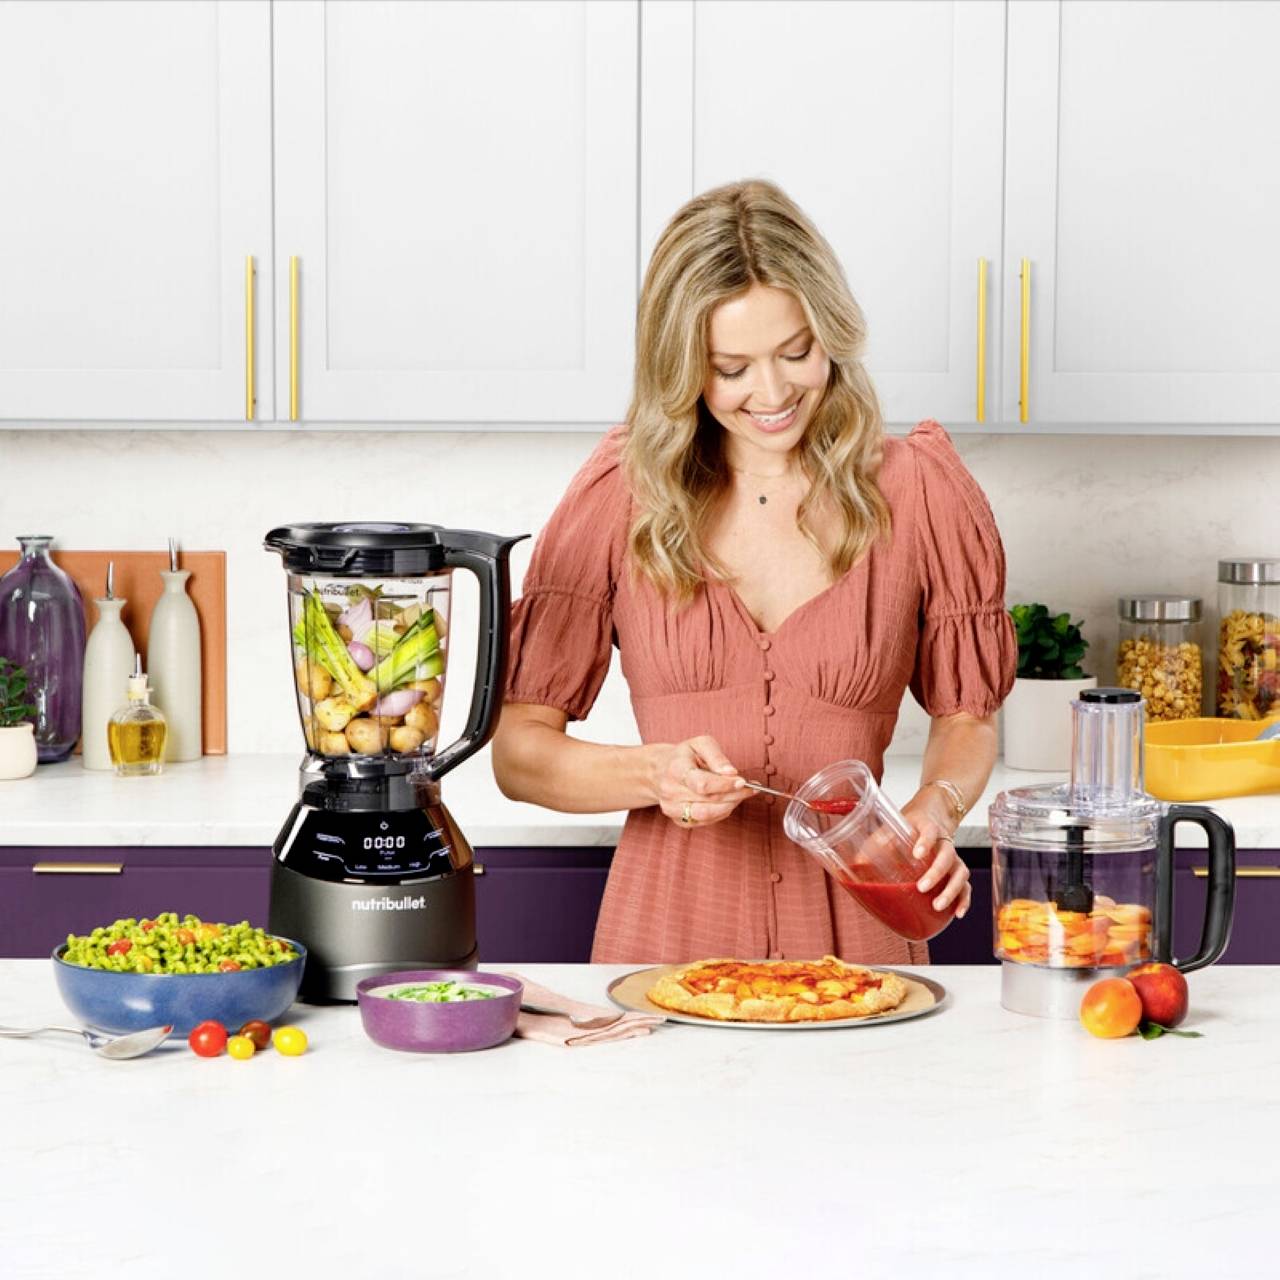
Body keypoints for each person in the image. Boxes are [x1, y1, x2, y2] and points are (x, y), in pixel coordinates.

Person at [492, 180, 1017, 965]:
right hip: (666, 940)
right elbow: (519, 754)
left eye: (797, 353)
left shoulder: (919, 491)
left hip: (860, 936)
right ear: (681, 366)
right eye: (730, 367)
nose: (772, 394)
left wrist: (936, 811)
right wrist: (653, 773)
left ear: (830, 333)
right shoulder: (621, 495)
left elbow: (967, 718)